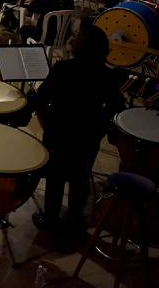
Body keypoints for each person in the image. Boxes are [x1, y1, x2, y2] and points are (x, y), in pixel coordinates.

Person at [32, 26, 124, 234]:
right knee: (80, 176)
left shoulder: (63, 69)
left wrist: (46, 123)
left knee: (55, 179)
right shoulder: (106, 76)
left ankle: (51, 219)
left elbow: (42, 98)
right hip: (87, 136)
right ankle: (74, 218)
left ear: (77, 47)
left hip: (58, 132)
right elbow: (116, 108)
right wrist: (99, 128)